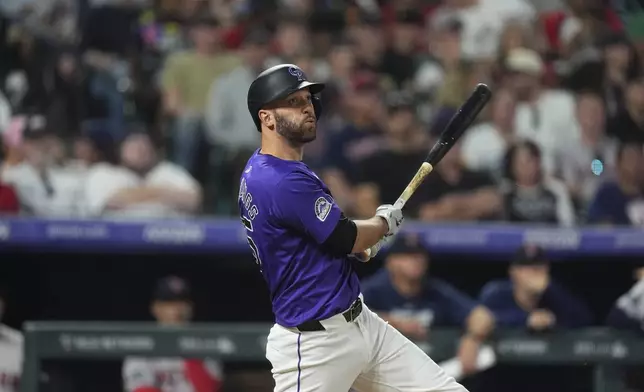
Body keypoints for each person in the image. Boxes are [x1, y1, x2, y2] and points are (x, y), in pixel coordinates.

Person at [239, 64, 466, 392]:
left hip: (362, 325)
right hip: (315, 345)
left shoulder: (261, 167)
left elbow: (318, 241)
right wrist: (383, 223)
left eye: (307, 99)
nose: (306, 107)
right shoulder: (281, 179)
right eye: (292, 101)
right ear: (266, 118)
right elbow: (345, 237)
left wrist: (359, 246)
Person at [361, 234, 495, 375]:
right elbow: (345, 316)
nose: (416, 261)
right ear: (390, 262)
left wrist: (472, 339)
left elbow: (482, 316)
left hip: (430, 367)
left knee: (485, 354)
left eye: (419, 256)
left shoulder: (435, 291)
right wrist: (395, 324)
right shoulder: (374, 290)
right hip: (382, 369)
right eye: (407, 256)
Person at [122, 276, 223, 392]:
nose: (177, 309)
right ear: (155, 308)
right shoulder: (142, 342)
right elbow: (141, 389)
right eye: (169, 303)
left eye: (181, 303)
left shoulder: (207, 341)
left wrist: (189, 347)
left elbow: (208, 388)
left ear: (190, 308)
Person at [586, 141, 644, 226]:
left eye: (639, 160)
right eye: (631, 159)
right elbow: (599, 226)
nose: (636, 165)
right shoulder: (607, 194)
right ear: (619, 163)